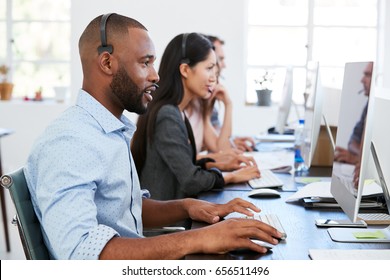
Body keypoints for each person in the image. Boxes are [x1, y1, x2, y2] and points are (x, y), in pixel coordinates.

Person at [24, 14, 282, 260]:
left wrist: (187, 207)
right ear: (107, 63)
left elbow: (126, 208)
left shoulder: (109, 130)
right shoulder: (71, 141)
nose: (155, 75)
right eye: (145, 62)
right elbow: (82, 253)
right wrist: (198, 239)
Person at [131, 33, 260, 203]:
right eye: (209, 68)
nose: (214, 77)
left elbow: (186, 164)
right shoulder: (167, 114)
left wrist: (215, 165)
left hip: (177, 213)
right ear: (185, 70)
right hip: (168, 224)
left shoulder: (177, 111)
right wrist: (232, 177)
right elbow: (191, 180)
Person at [204, 35, 256, 152]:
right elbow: (220, 149)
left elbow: (219, 142)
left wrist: (228, 104)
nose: (223, 65)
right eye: (220, 59)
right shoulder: (180, 110)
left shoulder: (205, 103)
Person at [334, 61, 373, 165]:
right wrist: (360, 157)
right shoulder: (368, 105)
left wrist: (360, 159)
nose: (362, 80)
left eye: (368, 75)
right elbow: (353, 141)